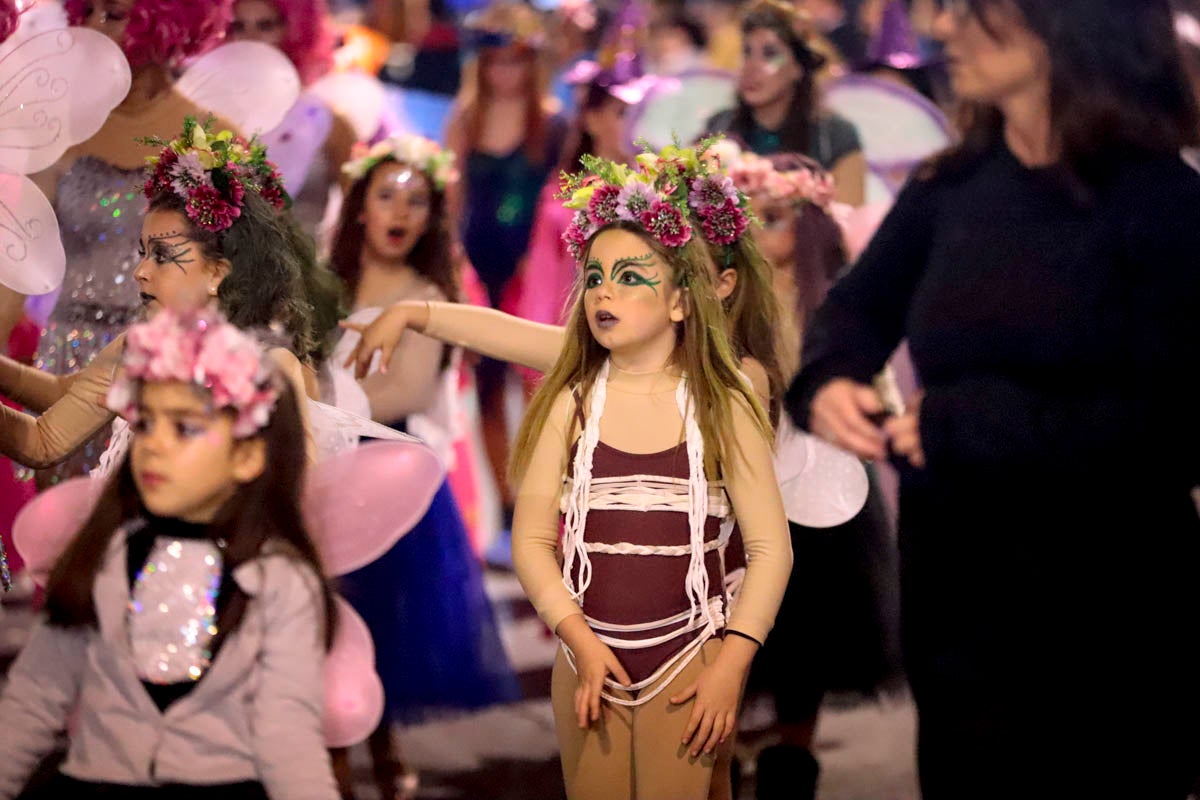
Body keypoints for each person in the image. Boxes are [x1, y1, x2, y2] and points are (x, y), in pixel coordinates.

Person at [788, 1, 1200, 797]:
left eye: (972, 8)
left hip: (1111, 616)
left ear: (1062, 24)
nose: (944, 29)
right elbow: (858, 306)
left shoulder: (1163, 204)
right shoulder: (954, 185)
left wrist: (961, 422)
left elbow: (1174, 429)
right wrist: (831, 377)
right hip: (958, 603)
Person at [507, 144, 791, 800]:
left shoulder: (724, 403)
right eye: (596, 275)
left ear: (681, 303)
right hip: (586, 660)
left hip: (690, 661)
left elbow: (772, 550)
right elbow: (531, 541)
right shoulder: (569, 402)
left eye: (631, 276)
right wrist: (577, 637)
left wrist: (733, 664)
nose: (605, 290)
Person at [0, 308, 340, 800]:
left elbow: (288, 739)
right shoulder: (104, 554)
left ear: (247, 455)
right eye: (147, 422)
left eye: (184, 428)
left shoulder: (280, 581)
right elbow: (33, 701)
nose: (154, 445)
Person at [324, 133, 519, 800]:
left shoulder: (430, 291)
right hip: (323, 463)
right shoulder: (328, 282)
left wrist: (325, 395)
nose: (400, 211)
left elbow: (407, 393)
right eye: (386, 196)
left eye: (417, 200)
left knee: (380, 623)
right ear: (358, 208)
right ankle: (330, 756)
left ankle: (377, 748)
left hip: (387, 467)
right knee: (322, 615)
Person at [0, 118, 321, 474]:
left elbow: (295, 492)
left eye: (163, 256)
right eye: (143, 253)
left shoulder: (272, 365)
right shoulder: (137, 348)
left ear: (218, 273)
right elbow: (44, 442)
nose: (141, 272)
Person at [0, 0, 236, 482]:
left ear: (164, 23)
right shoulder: (53, 128)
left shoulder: (214, 139)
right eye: (84, 11)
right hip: (64, 347)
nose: (90, 27)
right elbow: (16, 254)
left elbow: (238, 267)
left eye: (112, 12)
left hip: (165, 356)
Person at [445, 0, 566, 526]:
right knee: (490, 386)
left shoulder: (553, 123)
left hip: (536, 269)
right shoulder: (465, 120)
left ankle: (548, 498)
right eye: (495, 61)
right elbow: (452, 202)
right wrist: (453, 266)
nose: (505, 72)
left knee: (539, 383)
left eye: (516, 60)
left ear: (532, 63)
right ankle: (510, 508)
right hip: (480, 264)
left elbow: (564, 198)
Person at [706, 0, 866, 205]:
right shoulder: (719, 126)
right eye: (746, 52)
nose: (751, 67)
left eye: (770, 54)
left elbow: (849, 225)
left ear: (799, 67)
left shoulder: (835, 136)